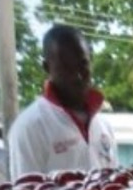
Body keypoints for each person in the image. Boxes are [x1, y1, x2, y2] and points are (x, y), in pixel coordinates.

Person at [8, 24, 116, 176]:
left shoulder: (104, 127)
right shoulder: (29, 127)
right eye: (66, 67)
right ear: (47, 67)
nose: (77, 75)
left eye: (83, 64)